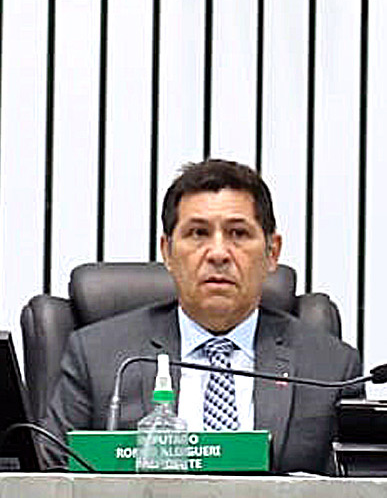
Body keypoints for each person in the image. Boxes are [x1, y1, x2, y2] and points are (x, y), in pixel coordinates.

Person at [39, 157, 361, 472]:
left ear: (271, 252)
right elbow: (46, 479)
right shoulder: (98, 356)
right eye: (198, 233)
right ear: (167, 251)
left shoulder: (332, 368)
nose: (218, 253)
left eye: (238, 233)